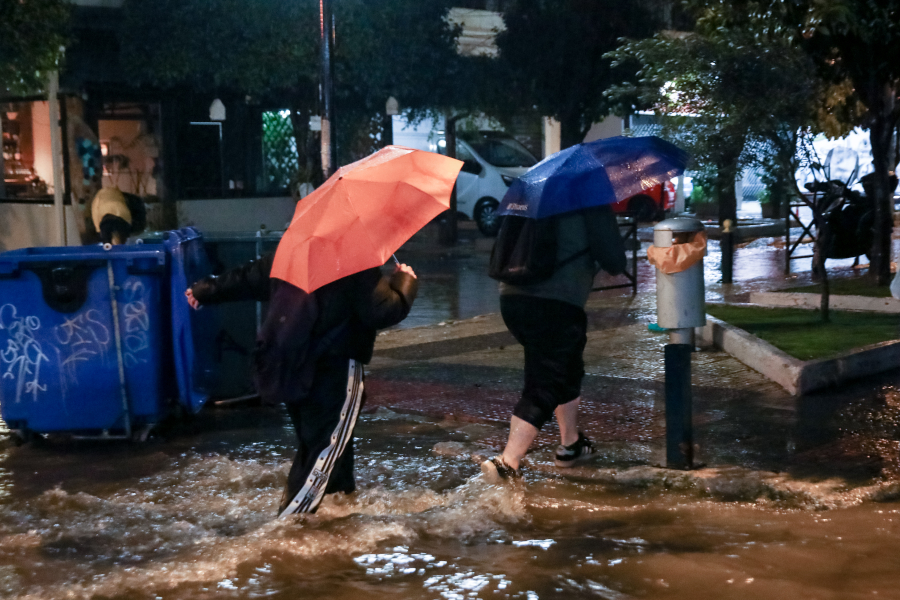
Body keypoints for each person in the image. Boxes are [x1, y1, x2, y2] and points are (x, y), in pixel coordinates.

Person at [186, 253, 418, 515]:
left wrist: (206, 290)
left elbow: (251, 277)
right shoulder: (353, 260)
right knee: (324, 450)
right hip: (333, 368)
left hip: (290, 366)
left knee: (325, 447)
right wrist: (404, 281)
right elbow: (382, 310)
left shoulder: (296, 249)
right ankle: (289, 527)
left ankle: (338, 513)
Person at [481, 205, 627, 482]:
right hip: (556, 302)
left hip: (512, 297)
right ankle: (507, 462)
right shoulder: (589, 199)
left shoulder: (532, 193)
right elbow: (615, 261)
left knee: (567, 367)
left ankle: (570, 444)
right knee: (546, 382)